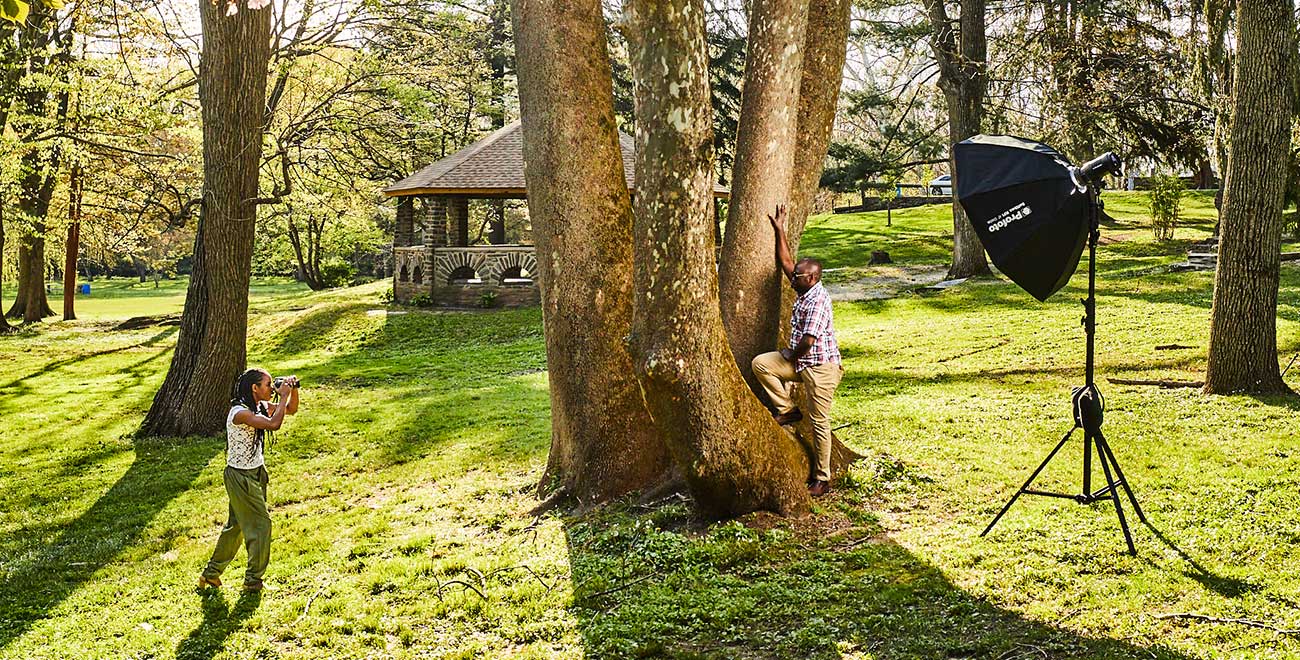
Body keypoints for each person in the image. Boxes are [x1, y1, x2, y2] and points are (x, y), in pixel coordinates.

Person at [752, 204, 844, 497]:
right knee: (761, 364)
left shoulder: (818, 299)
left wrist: (791, 355)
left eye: (799, 277)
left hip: (820, 368)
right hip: (801, 363)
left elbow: (809, 340)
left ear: (813, 279)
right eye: (795, 275)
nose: (793, 278)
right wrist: (780, 229)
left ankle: (822, 478)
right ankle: (787, 410)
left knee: (819, 422)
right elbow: (787, 262)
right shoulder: (803, 286)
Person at [198, 368, 299, 592]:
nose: (272, 389)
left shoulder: (259, 406)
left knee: (236, 527)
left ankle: (210, 575)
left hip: (256, 472)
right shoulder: (239, 413)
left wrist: (293, 390)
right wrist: (282, 396)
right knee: (261, 525)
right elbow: (274, 424)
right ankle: (253, 581)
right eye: (267, 385)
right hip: (240, 476)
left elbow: (290, 410)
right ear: (255, 388)